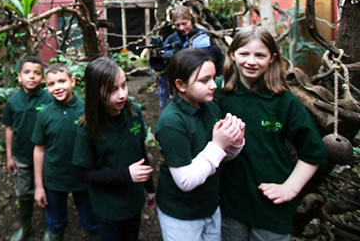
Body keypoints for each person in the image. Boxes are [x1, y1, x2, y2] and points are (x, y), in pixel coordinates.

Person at [215, 26, 328, 240]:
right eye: (244, 53)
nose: (251, 61)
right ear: (232, 54)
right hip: (229, 202)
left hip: (271, 206)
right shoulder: (218, 92)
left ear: (272, 58)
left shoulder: (284, 101)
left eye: (260, 55)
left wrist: (291, 188)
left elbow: (313, 151)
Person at [154, 48, 245, 241]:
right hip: (181, 214)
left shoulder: (210, 107)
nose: (213, 85)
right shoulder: (171, 122)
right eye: (204, 80)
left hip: (210, 205)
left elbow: (219, 158)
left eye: (213, 77)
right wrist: (219, 145)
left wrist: (234, 143)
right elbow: (186, 181)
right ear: (180, 84)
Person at [72, 57, 155, 241]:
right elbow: (85, 174)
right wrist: (126, 175)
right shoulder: (87, 127)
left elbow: (140, 151)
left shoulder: (134, 113)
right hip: (107, 209)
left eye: (123, 85)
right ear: (96, 92)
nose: (122, 94)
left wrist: (150, 189)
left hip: (133, 202)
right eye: (112, 90)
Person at [32, 64, 97, 241]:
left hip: (84, 178)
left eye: (62, 81)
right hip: (54, 179)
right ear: (47, 87)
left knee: (91, 220)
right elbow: (39, 149)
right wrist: (39, 186)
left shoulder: (88, 109)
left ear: (72, 81)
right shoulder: (44, 114)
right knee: (55, 222)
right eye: (52, 84)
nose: (57, 87)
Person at [2, 57, 54, 241]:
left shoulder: (48, 99)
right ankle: (25, 225)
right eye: (27, 72)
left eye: (37, 73)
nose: (31, 77)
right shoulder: (13, 101)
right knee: (24, 192)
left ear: (42, 78)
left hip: (46, 156)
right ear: (19, 76)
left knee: (47, 190)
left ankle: (50, 227)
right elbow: (9, 128)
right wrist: (9, 156)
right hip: (21, 156)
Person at [155, 5, 224, 107]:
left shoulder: (202, 36)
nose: (181, 28)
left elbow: (209, 59)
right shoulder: (172, 38)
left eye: (184, 23)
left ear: (191, 20)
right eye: (177, 25)